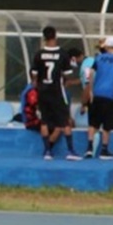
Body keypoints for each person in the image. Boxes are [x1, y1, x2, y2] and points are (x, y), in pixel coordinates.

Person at [30, 25, 81, 160]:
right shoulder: (62, 54)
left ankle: (47, 151)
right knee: (65, 121)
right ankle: (70, 151)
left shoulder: (39, 54)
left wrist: (37, 84)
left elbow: (34, 75)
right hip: (57, 91)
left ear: (44, 38)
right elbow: (67, 74)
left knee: (45, 121)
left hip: (43, 91)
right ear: (55, 36)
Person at [82, 36, 113, 159]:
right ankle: (104, 149)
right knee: (107, 125)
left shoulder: (99, 58)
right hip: (111, 96)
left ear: (105, 47)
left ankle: (89, 148)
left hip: (97, 94)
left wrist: (90, 90)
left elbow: (90, 74)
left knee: (93, 123)